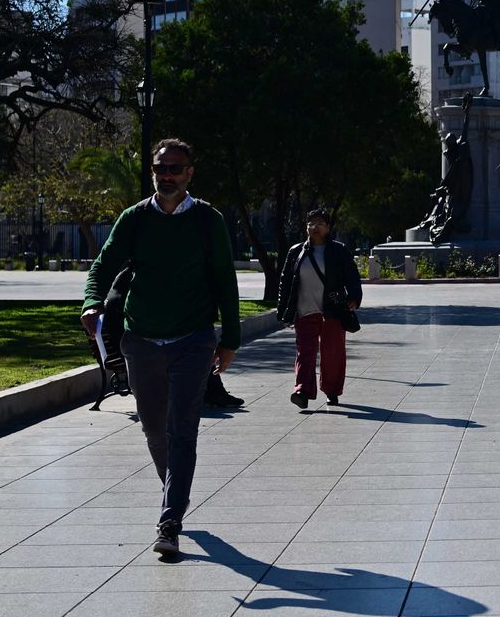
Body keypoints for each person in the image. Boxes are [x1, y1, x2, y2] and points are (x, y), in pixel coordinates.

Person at [80, 138, 240, 559]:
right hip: (141, 339)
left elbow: (225, 279)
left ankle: (169, 519)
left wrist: (231, 340)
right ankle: (176, 490)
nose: (166, 176)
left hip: (193, 339)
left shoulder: (208, 220)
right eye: (159, 169)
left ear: (190, 173)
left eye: (174, 168)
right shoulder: (134, 219)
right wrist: (91, 302)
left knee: (182, 429)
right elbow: (103, 264)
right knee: (153, 428)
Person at [276, 208, 363, 408]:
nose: (315, 227)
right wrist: (283, 309)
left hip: (332, 310)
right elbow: (286, 281)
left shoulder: (339, 251)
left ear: (328, 228)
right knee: (304, 352)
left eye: (320, 224)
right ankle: (302, 391)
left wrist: (354, 297)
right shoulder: (296, 251)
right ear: (306, 227)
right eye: (311, 223)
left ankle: (331, 390)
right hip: (304, 309)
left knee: (332, 353)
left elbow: (352, 276)